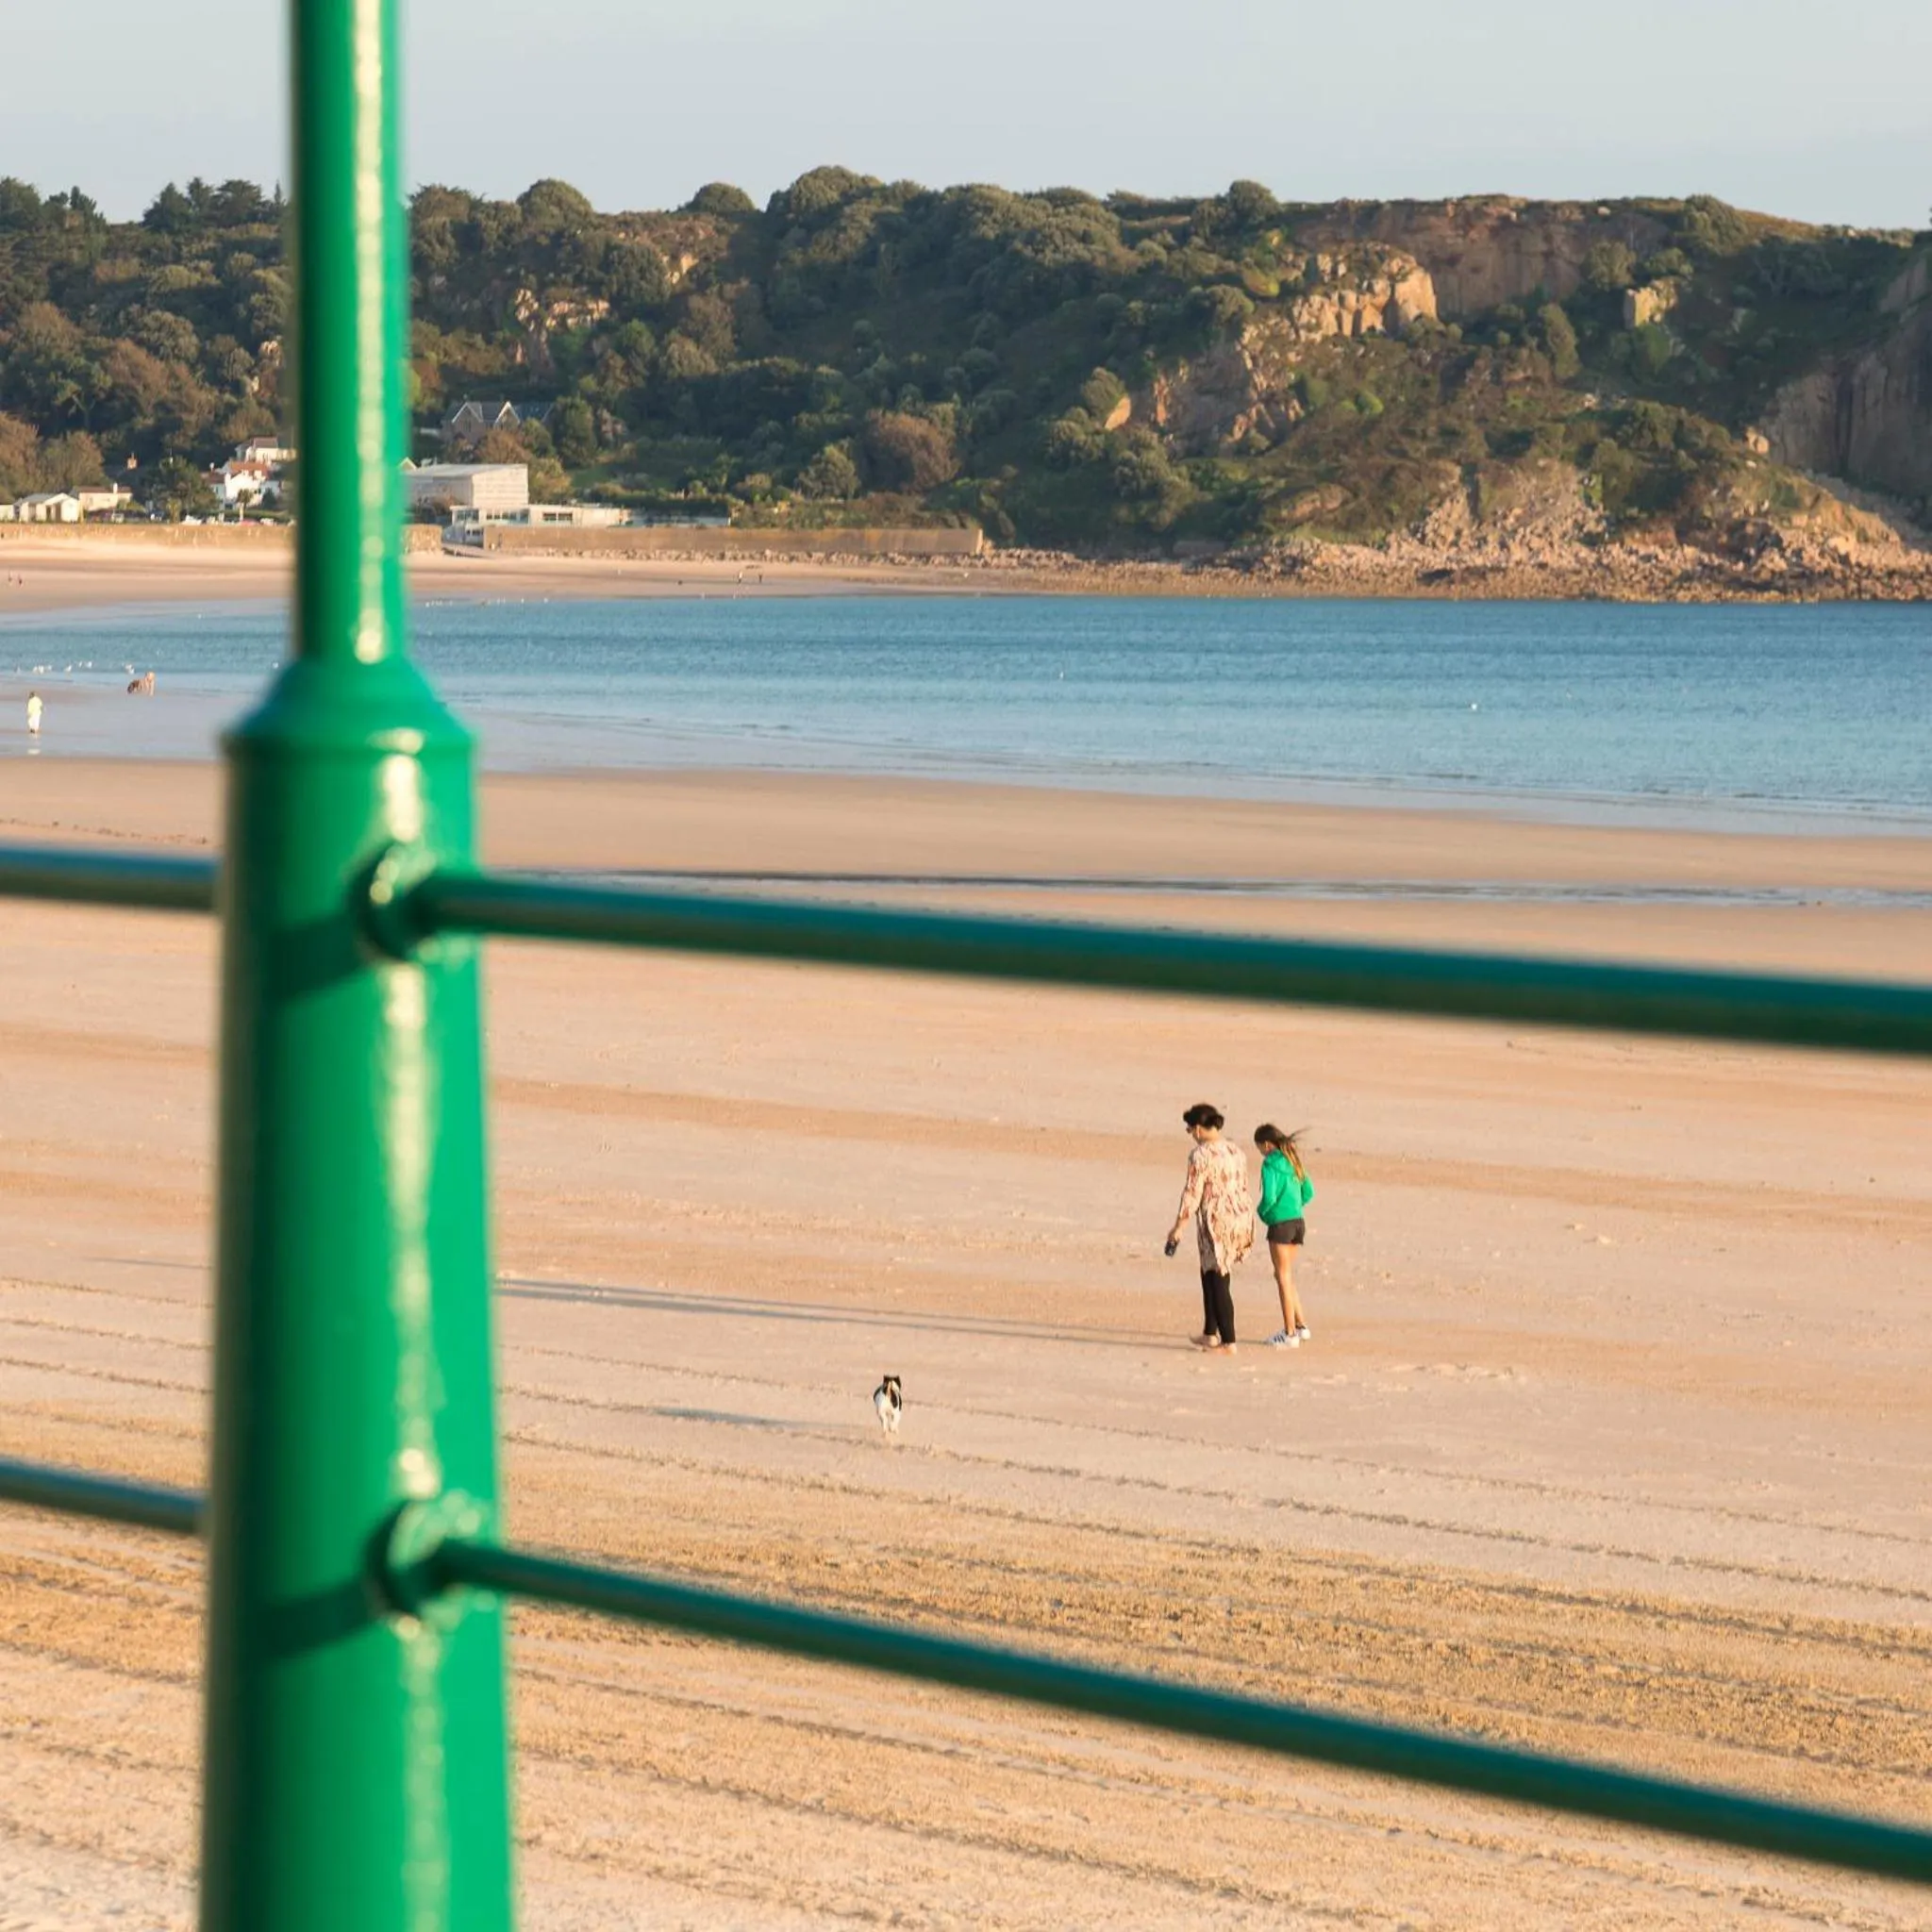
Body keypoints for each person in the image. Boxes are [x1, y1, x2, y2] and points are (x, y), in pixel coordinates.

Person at [1163, 1102, 1254, 1352]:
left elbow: (1192, 1193)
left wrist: (1178, 1226)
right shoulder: (1236, 1150)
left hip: (1217, 1220)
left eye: (1191, 1129)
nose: (1191, 1135)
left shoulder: (1200, 1154)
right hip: (1240, 1215)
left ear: (1200, 1129)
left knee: (1218, 1279)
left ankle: (1229, 1341)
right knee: (1209, 1272)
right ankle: (1210, 1333)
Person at [1254, 1124, 1314, 1347]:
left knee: (1282, 1277)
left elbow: (1268, 1196)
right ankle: (1301, 1325)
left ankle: (1289, 1333)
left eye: (1259, 1147)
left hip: (1280, 1224)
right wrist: (1295, 1206)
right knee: (1286, 1275)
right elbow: (1309, 1191)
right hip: (1298, 1222)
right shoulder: (1293, 1159)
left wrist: (1263, 1213)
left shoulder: (1270, 1164)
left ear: (1267, 1145)